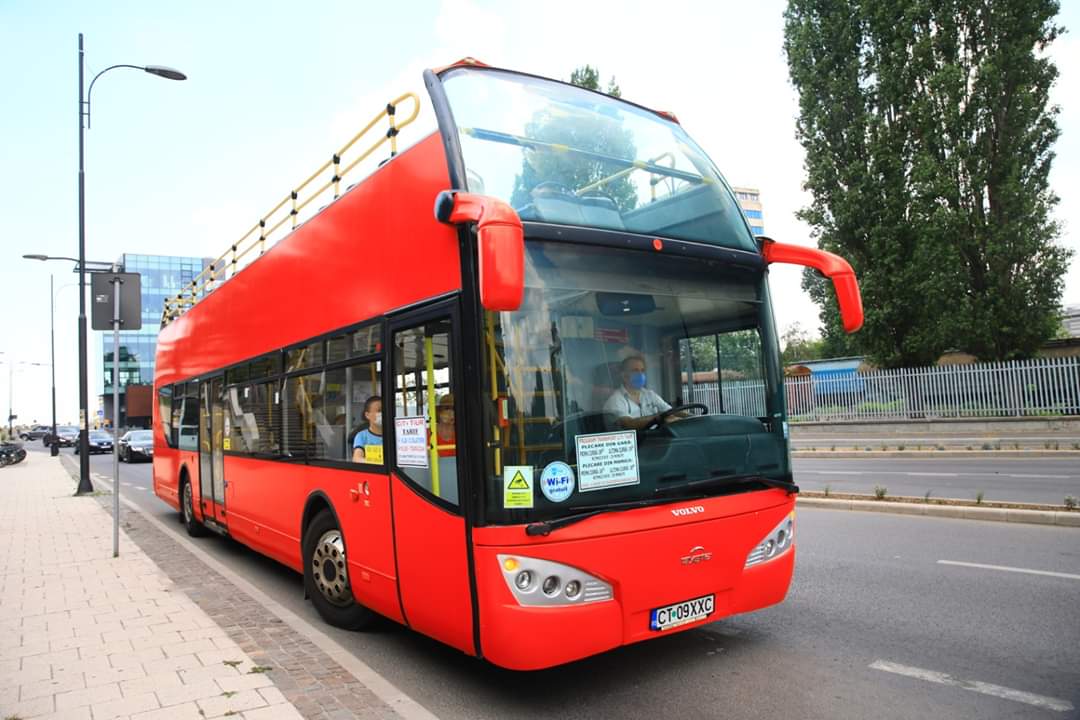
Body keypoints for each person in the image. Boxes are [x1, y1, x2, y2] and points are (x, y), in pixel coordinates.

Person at [603, 355, 678, 430]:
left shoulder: (649, 394)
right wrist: (659, 418)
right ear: (624, 376)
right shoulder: (615, 400)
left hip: (655, 438)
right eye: (635, 371)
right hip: (636, 440)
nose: (640, 374)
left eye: (642, 370)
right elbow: (629, 424)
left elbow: (671, 412)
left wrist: (688, 417)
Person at [351, 396, 383, 464]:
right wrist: (380, 463)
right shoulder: (362, 436)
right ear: (367, 415)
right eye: (379, 411)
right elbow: (357, 458)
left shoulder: (394, 435)